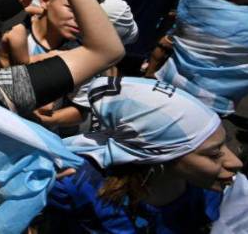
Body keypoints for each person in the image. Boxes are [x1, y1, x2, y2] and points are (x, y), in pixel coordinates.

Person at [45, 77, 243, 233]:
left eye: (226, 145)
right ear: (159, 159)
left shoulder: (207, 188)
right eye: (214, 154)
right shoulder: (75, 182)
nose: (236, 162)